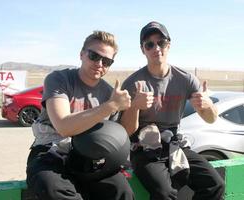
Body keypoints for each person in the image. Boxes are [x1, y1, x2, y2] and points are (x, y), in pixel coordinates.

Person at [120, 21, 225, 200]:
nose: (156, 48)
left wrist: (207, 106)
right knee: (165, 193)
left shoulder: (185, 80)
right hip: (143, 148)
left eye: (161, 42)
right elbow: (125, 131)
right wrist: (135, 106)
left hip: (175, 144)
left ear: (169, 45)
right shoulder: (133, 83)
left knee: (215, 184)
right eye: (149, 44)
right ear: (142, 49)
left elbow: (211, 119)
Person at [26, 30, 135, 200]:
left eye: (106, 61)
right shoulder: (59, 79)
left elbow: (117, 135)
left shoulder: (108, 92)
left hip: (88, 155)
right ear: (82, 54)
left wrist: (134, 107)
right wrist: (111, 106)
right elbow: (63, 126)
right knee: (51, 187)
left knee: (121, 192)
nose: (100, 63)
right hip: (51, 150)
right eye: (94, 56)